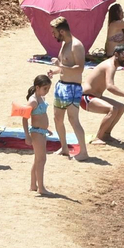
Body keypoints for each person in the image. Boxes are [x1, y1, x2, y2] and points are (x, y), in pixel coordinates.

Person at [49, 16, 90, 160]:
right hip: (61, 86)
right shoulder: (64, 44)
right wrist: (55, 71)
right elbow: (64, 66)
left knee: (73, 119)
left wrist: (60, 66)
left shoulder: (76, 45)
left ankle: (84, 152)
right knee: (57, 118)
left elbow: (79, 68)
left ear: (62, 31)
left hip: (73, 87)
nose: (52, 35)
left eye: (54, 32)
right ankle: (64, 148)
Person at [82, 55, 124, 145]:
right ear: (117, 55)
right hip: (85, 97)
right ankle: (98, 137)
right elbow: (110, 87)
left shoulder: (112, 65)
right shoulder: (110, 66)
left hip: (95, 96)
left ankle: (106, 135)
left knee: (121, 107)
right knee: (112, 109)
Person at [24, 75, 52, 196]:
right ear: (37, 87)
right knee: (41, 159)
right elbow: (25, 119)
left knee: (37, 159)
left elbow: (42, 116)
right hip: (36, 132)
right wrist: (27, 136)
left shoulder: (41, 98)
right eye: (45, 88)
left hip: (42, 131)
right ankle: (41, 187)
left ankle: (33, 185)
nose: (47, 91)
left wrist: (47, 129)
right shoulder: (33, 101)